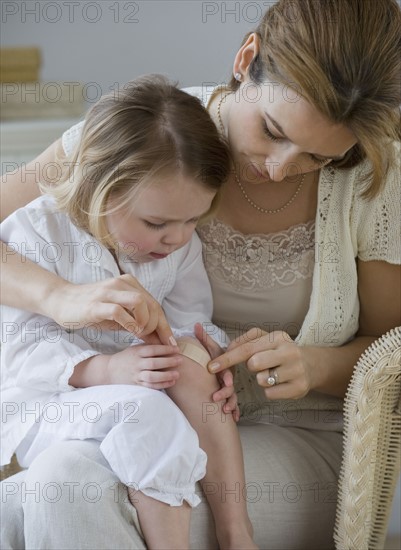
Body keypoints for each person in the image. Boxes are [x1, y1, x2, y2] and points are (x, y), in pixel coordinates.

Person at [1, 0, 400, 548]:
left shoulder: (376, 181)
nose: (281, 166)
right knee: (56, 483)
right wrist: (58, 296)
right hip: (139, 405)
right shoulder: (143, 131)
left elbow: (390, 345)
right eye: (272, 129)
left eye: (319, 157)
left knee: (66, 489)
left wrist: (314, 363)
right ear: (246, 57)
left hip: (296, 436)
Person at [1, 76, 257, 550]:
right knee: (146, 413)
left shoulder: (178, 248)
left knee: (189, 372)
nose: (176, 238)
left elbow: (190, 318)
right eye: (157, 223)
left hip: (139, 385)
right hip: (50, 402)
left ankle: (236, 530)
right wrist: (106, 369)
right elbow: (21, 354)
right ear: (100, 188)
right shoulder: (37, 233)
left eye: (192, 220)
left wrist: (205, 355)